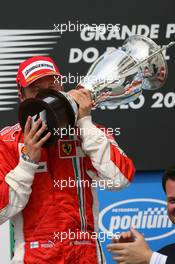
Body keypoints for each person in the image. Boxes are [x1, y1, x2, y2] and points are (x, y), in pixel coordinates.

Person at [0, 56, 135, 264]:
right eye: (36, 90)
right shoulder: (8, 141)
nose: (46, 97)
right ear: (22, 95)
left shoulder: (88, 132)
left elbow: (120, 179)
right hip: (33, 257)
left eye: (53, 86)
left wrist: (85, 124)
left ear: (62, 86)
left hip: (85, 255)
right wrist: (27, 162)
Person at [107, 167, 175, 264]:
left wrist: (149, 258)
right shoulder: (165, 254)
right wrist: (133, 257)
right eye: (172, 200)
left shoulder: (155, 258)